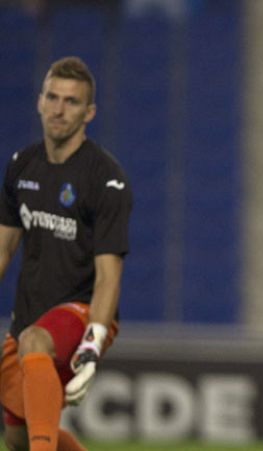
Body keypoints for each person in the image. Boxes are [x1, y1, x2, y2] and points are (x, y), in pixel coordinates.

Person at [0, 56, 132, 451]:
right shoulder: (21, 166)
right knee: (18, 439)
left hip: (84, 311)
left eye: (71, 102)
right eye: (52, 98)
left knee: (37, 340)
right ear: (39, 101)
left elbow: (109, 275)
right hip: (29, 316)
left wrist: (93, 342)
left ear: (89, 112)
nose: (59, 109)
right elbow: (4, 247)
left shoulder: (105, 179)